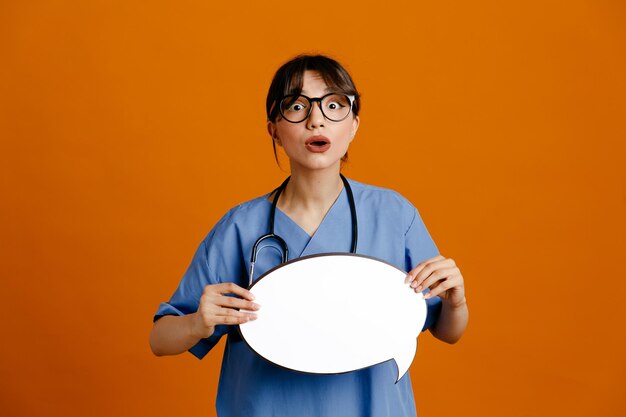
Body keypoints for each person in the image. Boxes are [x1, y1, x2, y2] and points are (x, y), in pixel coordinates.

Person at [149, 54, 468, 417]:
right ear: (274, 129)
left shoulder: (394, 215)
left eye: (334, 105)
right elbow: (160, 340)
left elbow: (448, 331)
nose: (316, 119)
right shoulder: (241, 227)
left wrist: (455, 302)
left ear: (353, 125)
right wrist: (197, 321)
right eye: (297, 107)